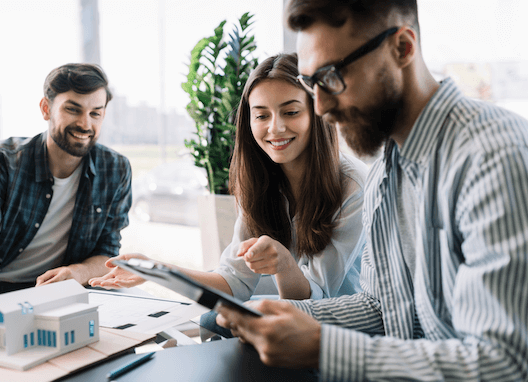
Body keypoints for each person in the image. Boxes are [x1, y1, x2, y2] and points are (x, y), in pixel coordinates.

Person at [215, 1, 528, 381]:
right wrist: (290, 316)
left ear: (402, 48)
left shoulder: (493, 155)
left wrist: (322, 346)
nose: (322, 107)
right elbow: (383, 307)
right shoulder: (384, 172)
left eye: (331, 76)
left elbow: (505, 362)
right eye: (313, 85)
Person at [90, 53, 367, 314]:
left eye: (291, 112)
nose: (275, 127)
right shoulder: (261, 181)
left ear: (317, 114)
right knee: (211, 321)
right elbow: (233, 283)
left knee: (219, 325)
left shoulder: (353, 185)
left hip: (337, 325)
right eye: (261, 115)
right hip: (288, 316)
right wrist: (157, 270)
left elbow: (316, 299)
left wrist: (283, 265)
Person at [0, 63, 132, 315]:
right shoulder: (0, 159)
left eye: (95, 113)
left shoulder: (115, 169)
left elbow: (107, 253)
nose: (85, 124)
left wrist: (78, 273)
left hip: (60, 293)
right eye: (73, 110)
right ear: (46, 109)